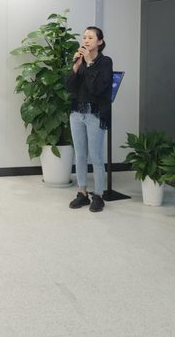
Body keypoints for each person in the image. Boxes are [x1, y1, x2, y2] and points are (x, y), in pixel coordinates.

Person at [65, 26, 113, 213]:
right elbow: (69, 86)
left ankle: (98, 195)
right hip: (76, 113)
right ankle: (82, 192)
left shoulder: (105, 62)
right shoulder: (79, 60)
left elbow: (97, 88)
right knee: (80, 154)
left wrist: (89, 63)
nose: (86, 40)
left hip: (95, 114)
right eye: (84, 37)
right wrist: (77, 65)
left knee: (96, 156)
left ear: (99, 42)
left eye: (90, 37)